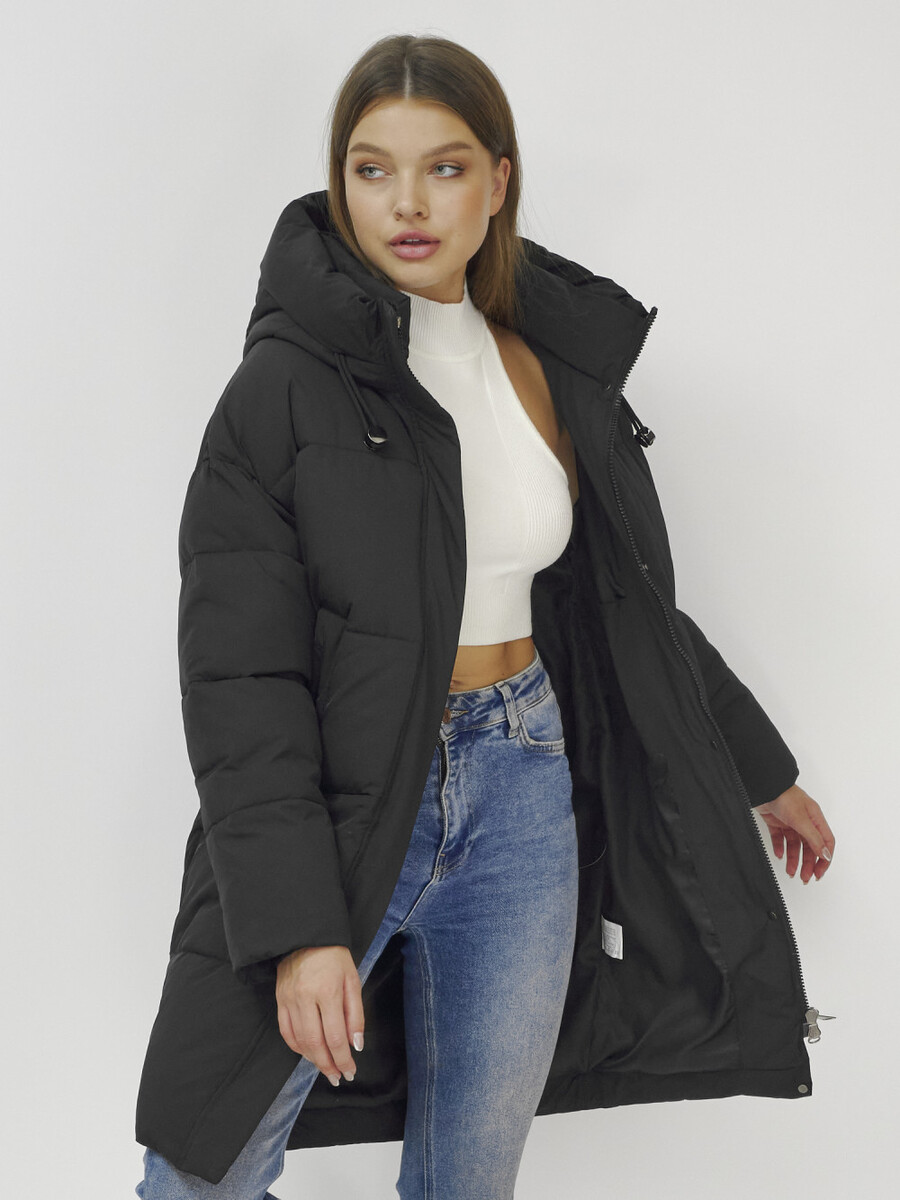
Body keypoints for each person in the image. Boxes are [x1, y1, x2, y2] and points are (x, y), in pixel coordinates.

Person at [134, 32, 836, 1200]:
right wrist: (300, 929)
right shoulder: (282, 390)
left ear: (498, 181)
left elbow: (620, 603)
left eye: (445, 167)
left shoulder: (546, 368)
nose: (406, 203)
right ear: (339, 181)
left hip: (522, 792)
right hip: (347, 802)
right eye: (372, 169)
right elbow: (241, 683)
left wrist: (760, 767)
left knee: (468, 1183)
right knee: (206, 1171)